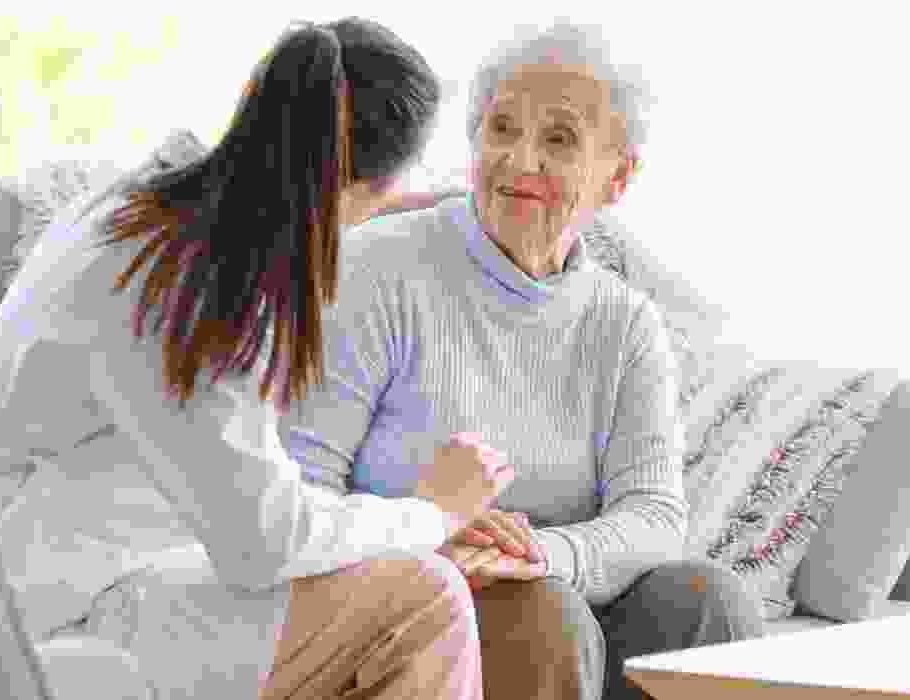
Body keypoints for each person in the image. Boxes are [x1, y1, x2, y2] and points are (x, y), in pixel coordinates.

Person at [0, 17, 516, 700]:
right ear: (366, 190)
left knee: (388, 583)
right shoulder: (194, 288)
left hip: (43, 565)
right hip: (51, 607)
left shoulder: (139, 207)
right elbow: (264, 542)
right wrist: (430, 514)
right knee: (425, 600)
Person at [280, 19, 766, 700]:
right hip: (403, 604)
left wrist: (540, 553)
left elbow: (655, 517)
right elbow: (299, 489)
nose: (519, 159)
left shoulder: (626, 324)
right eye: (501, 128)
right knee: (538, 612)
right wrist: (429, 540)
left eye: (559, 139)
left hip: (553, 591)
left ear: (618, 177)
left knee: (708, 601)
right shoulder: (376, 268)